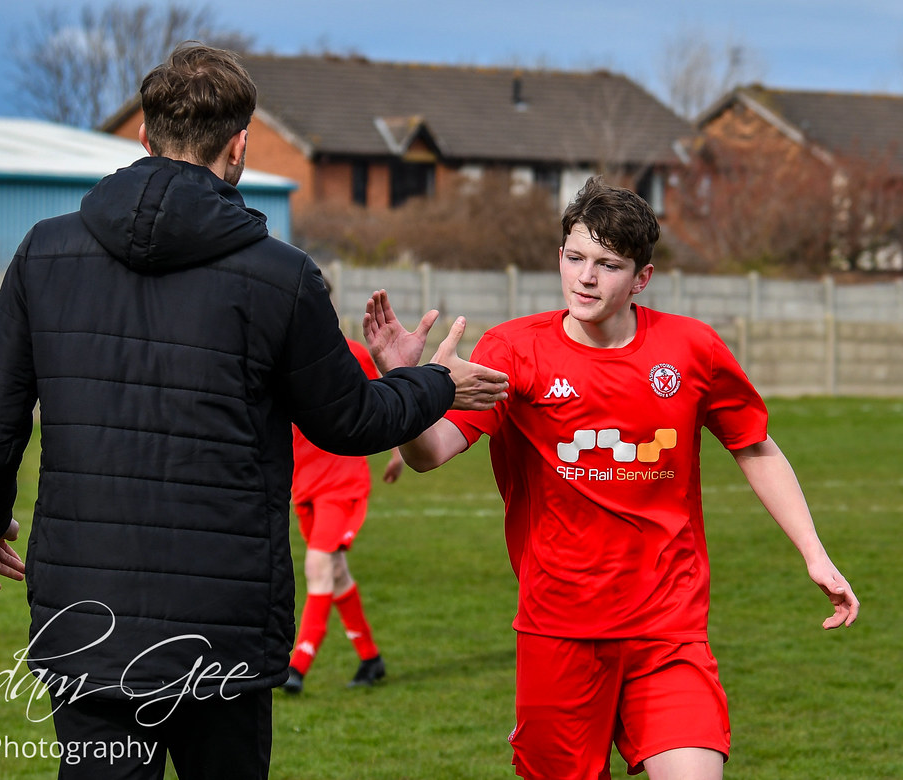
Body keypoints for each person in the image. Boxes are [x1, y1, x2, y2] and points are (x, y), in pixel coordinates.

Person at [0, 44, 508, 780]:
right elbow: (351, 422)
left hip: (90, 625)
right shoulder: (281, 275)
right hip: (224, 634)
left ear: (143, 136)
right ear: (239, 145)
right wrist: (431, 381)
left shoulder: (44, 254)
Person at [363, 177, 860, 780]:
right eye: (575, 258)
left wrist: (814, 552)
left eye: (608, 264)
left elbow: (754, 447)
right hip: (558, 630)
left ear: (641, 278)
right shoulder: (513, 351)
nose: (586, 277)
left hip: (667, 627)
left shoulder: (691, 350)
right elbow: (427, 453)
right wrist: (403, 388)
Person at [282, 333, 401, 694]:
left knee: (318, 567)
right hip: (302, 482)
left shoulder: (352, 353)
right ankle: (370, 659)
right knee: (336, 572)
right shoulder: (281, 350)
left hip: (341, 479)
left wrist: (398, 452)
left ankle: (296, 668)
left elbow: (387, 399)